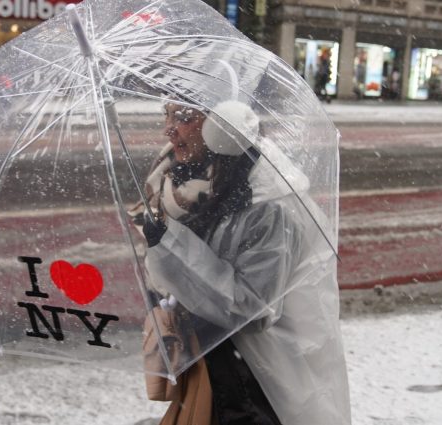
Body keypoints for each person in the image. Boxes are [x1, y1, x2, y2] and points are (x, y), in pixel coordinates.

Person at [137, 97, 351, 424]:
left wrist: (168, 245)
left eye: (183, 117)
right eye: (166, 115)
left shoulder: (268, 204)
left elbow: (251, 308)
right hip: (211, 367)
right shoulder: (181, 182)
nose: (169, 129)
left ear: (221, 124)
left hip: (259, 379)